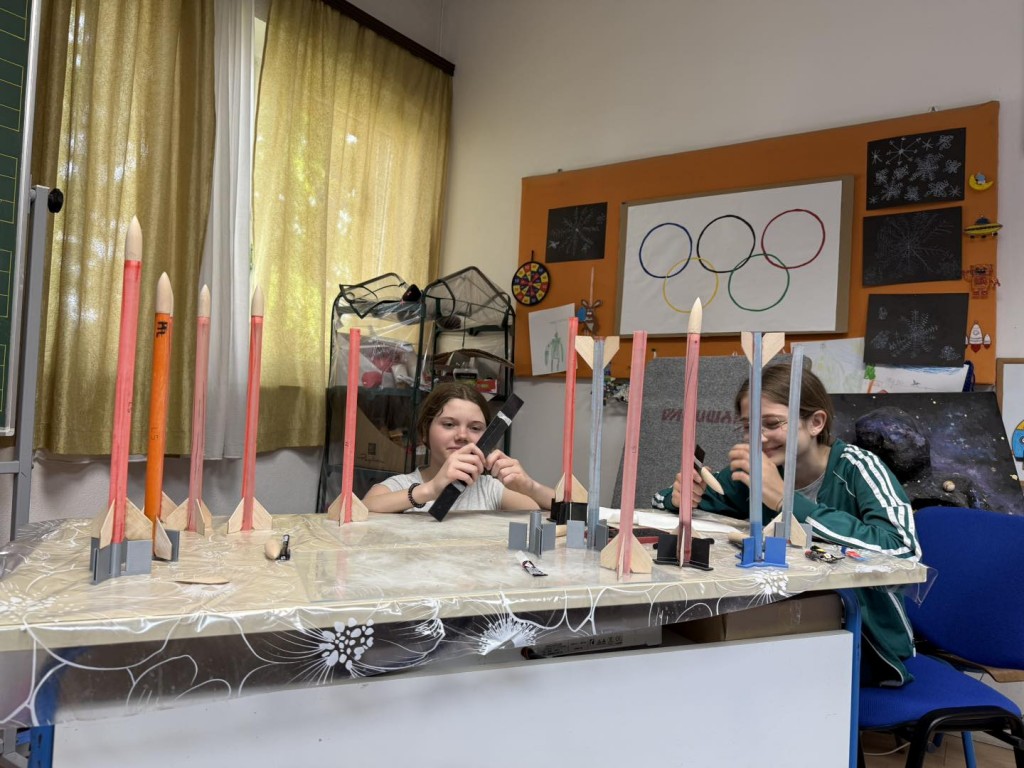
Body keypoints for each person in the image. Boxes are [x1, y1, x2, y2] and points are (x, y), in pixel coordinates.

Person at [655, 361, 921, 687]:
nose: (758, 438)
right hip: (787, 627)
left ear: (816, 422)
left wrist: (786, 502)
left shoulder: (859, 468)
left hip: (868, 643)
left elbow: (903, 550)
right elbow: (665, 499)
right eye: (748, 427)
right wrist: (681, 496)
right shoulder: (762, 472)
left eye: (771, 423)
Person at [364, 382, 555, 514]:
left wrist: (530, 487)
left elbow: (558, 512)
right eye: (449, 424)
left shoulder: (489, 489)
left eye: (475, 428)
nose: (462, 435)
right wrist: (431, 489)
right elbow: (362, 509)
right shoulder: (401, 485)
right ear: (424, 433)